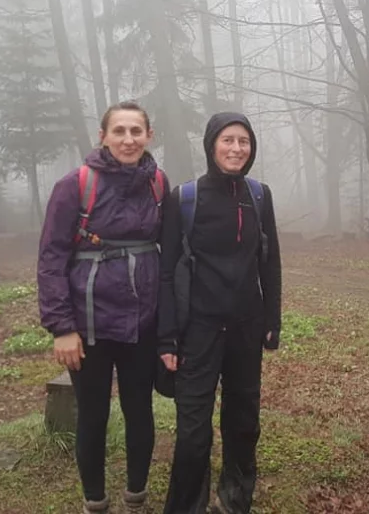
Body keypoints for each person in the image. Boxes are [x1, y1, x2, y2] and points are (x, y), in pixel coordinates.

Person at [38, 101, 169, 514]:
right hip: (87, 326)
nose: (128, 140)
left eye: (136, 131)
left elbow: (172, 256)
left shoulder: (159, 184)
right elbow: (51, 258)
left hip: (142, 322)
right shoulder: (75, 185)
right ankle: (95, 502)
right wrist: (62, 327)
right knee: (92, 414)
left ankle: (136, 498)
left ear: (149, 135)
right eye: (119, 131)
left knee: (140, 410)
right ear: (103, 136)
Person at [158, 111, 282, 514]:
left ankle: (235, 500)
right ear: (212, 145)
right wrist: (167, 336)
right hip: (199, 328)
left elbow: (271, 263)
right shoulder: (185, 198)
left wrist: (273, 318)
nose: (236, 149)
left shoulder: (259, 195)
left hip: (247, 326)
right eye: (227, 140)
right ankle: (186, 506)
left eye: (243, 141)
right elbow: (166, 271)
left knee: (243, 421)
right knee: (194, 430)